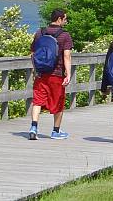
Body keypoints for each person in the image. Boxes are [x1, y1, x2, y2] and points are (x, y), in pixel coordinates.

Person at [28, 9, 73, 140]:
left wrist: (36, 68)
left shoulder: (39, 32)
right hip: (56, 74)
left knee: (37, 101)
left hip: (41, 73)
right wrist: (68, 74)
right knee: (58, 101)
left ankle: (33, 127)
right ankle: (56, 131)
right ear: (59, 19)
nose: (66, 21)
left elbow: (32, 53)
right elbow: (67, 56)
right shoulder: (65, 35)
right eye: (65, 19)